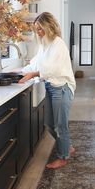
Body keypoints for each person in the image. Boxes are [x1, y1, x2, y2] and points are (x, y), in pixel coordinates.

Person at [19, 12, 76, 169]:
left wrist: (33, 74)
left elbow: (52, 69)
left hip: (62, 88)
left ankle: (63, 156)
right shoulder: (44, 45)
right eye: (36, 29)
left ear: (49, 26)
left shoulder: (58, 44)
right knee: (49, 124)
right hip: (51, 87)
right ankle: (67, 147)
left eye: (40, 28)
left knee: (59, 125)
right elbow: (35, 63)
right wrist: (20, 72)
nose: (38, 32)